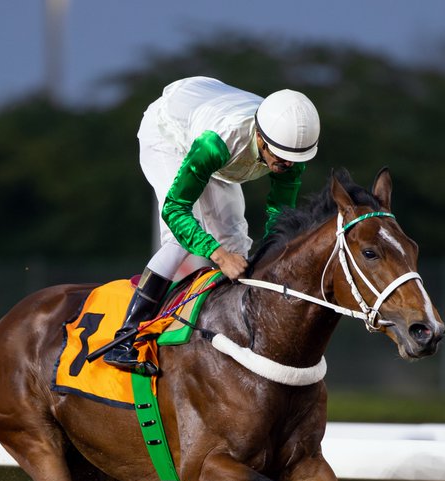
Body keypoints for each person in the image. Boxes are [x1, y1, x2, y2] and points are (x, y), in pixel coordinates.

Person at [103, 76, 321, 375]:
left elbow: (279, 217)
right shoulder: (217, 143)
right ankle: (125, 337)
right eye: (280, 158)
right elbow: (175, 209)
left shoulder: (291, 150)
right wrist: (217, 255)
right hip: (170, 133)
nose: (285, 165)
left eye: (292, 161)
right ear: (260, 136)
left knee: (237, 241)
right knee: (179, 240)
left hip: (211, 119)